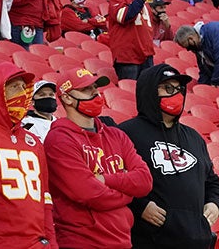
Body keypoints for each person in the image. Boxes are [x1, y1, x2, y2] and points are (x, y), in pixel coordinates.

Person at [44, 67, 153, 249]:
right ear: (67, 98)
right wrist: (128, 193)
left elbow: (145, 181)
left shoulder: (116, 135)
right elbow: (90, 194)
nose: (95, 94)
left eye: (95, 88)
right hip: (82, 242)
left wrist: (105, 179)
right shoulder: (59, 140)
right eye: (86, 90)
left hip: (122, 240)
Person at [119, 64, 219, 248]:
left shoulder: (194, 137)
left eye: (179, 89)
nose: (176, 94)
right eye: (168, 88)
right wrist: (140, 206)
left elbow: (212, 183)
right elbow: (114, 180)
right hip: (149, 240)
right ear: (150, 92)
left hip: (196, 240)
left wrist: (214, 204)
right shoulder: (125, 133)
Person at [0, 63, 56, 248]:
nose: (22, 94)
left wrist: (51, 243)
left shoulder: (33, 141)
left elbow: (45, 200)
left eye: (24, 88)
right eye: (14, 87)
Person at [109, 0, 156, 81]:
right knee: (130, 92)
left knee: (145, 93)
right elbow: (123, 17)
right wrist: (141, 0)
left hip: (146, 54)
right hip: (128, 56)